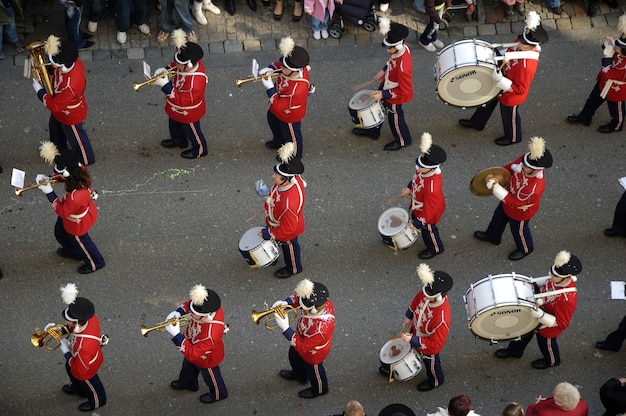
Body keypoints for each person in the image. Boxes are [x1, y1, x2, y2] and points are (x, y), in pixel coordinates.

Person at [458, 11, 548, 146]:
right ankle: (477, 122)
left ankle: (513, 137)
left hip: (511, 93)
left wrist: (501, 81)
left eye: (523, 42)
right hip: (501, 77)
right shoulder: (521, 44)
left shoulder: (527, 65)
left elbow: (520, 89)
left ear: (531, 46)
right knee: (487, 101)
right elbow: (509, 52)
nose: (519, 42)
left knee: (509, 116)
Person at [495, 250, 582, 369]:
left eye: (554, 276)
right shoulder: (556, 279)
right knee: (522, 333)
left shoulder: (567, 299)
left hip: (547, 326)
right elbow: (545, 284)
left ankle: (551, 361)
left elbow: (562, 323)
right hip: (537, 309)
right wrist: (529, 284)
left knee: (546, 345)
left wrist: (541, 316)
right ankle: (514, 352)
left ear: (566, 279)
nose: (550, 277)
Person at [474, 136, 553, 261]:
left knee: (519, 231)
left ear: (535, 170)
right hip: (507, 198)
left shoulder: (534, 189)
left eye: (526, 166)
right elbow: (508, 169)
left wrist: (496, 188)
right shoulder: (524, 162)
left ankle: (525, 248)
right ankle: (492, 236)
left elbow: (515, 203)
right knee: (497, 218)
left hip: (520, 211)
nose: (522, 166)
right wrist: (496, 178)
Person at [380, 264, 452, 391]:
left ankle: (435, 380)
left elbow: (435, 344)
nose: (424, 295)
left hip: (427, 343)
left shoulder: (441, 319)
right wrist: (409, 315)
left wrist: (413, 340)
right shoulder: (426, 294)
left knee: (431, 364)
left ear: (439, 296)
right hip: (416, 330)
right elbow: (416, 300)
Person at [37, 147, 105, 274]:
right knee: (60, 233)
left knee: (82, 242)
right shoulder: (78, 171)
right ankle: (74, 251)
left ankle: (95, 263)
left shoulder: (75, 197)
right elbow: (63, 176)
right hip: (71, 212)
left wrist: (49, 192)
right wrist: (49, 179)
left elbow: (62, 211)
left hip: (75, 221)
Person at [32, 35, 96, 166]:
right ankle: (59, 150)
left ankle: (86, 159)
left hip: (69, 113)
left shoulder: (70, 85)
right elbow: (56, 70)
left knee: (78, 139)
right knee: (55, 130)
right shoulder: (69, 62)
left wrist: (40, 92)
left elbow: (55, 105)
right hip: (61, 108)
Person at [352, 17, 413, 151]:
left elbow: (404, 90)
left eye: (389, 48)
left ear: (397, 46)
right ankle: (373, 131)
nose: (387, 50)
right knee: (377, 107)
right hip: (387, 84)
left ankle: (403, 140)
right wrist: (384, 70)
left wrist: (383, 94)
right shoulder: (400, 49)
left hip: (395, 95)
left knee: (395, 118)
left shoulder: (403, 67)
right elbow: (392, 61)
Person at [164, 284, 228, 404]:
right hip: (191, 344)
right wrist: (179, 312)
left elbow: (193, 353)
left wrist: (177, 335)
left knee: (212, 378)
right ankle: (188, 383)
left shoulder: (211, 334)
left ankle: (219, 394)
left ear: (205, 316)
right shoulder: (205, 307)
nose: (190, 313)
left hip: (206, 357)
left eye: (193, 313)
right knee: (187, 368)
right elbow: (190, 304)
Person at [272, 278, 335, 399]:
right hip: (301, 336)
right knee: (293, 356)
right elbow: (298, 297)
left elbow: (303, 346)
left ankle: (320, 389)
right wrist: (286, 303)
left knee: (314, 371)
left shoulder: (322, 328)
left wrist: (285, 328)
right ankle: (300, 375)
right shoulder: (316, 300)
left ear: (313, 309)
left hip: (313, 352)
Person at [154, 29, 208, 159]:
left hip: (188, 112)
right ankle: (179, 141)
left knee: (193, 132)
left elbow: (183, 100)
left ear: (188, 66)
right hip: (175, 108)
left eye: (179, 64)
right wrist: (165, 70)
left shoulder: (197, 81)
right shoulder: (184, 63)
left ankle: (200, 150)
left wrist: (166, 86)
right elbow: (175, 64)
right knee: (174, 125)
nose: (176, 64)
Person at [567, 16, 626, 134]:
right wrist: (608, 45)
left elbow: (608, 73)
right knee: (592, 100)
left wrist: (608, 57)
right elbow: (614, 51)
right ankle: (585, 116)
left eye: (620, 47)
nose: (616, 47)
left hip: (616, 89)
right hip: (604, 83)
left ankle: (617, 125)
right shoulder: (621, 52)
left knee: (616, 109)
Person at [53, 283, 107, 412]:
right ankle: (79, 389)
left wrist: (66, 353)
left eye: (68, 321)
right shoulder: (89, 318)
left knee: (88, 382)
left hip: (87, 366)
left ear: (77, 321)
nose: (66, 322)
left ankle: (97, 401)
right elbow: (74, 328)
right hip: (80, 356)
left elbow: (81, 371)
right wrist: (59, 331)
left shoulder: (85, 346)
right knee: (70, 368)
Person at [259, 36, 311, 159]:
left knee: (292, 137)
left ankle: (294, 156)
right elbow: (281, 64)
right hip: (277, 106)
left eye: (284, 68)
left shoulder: (298, 88)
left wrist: (270, 88)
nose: (281, 69)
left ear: (294, 71)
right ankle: (278, 142)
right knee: (273, 121)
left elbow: (279, 106)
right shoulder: (289, 68)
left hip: (289, 114)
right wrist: (270, 68)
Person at [260, 142, 306, 278]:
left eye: (276, 175)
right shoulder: (291, 179)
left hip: (286, 229)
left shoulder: (289, 204)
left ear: (286, 180)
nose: (273, 176)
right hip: (277, 220)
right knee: (277, 240)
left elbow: (288, 230)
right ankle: (274, 254)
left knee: (288, 246)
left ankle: (293, 268)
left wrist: (270, 233)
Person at [401, 132, 446, 259]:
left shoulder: (432, 188)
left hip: (427, 212)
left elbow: (430, 209)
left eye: (421, 166)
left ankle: (436, 248)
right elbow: (416, 179)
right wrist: (409, 188)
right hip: (418, 203)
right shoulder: (423, 170)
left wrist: (418, 222)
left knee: (428, 230)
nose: (418, 167)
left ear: (431, 168)